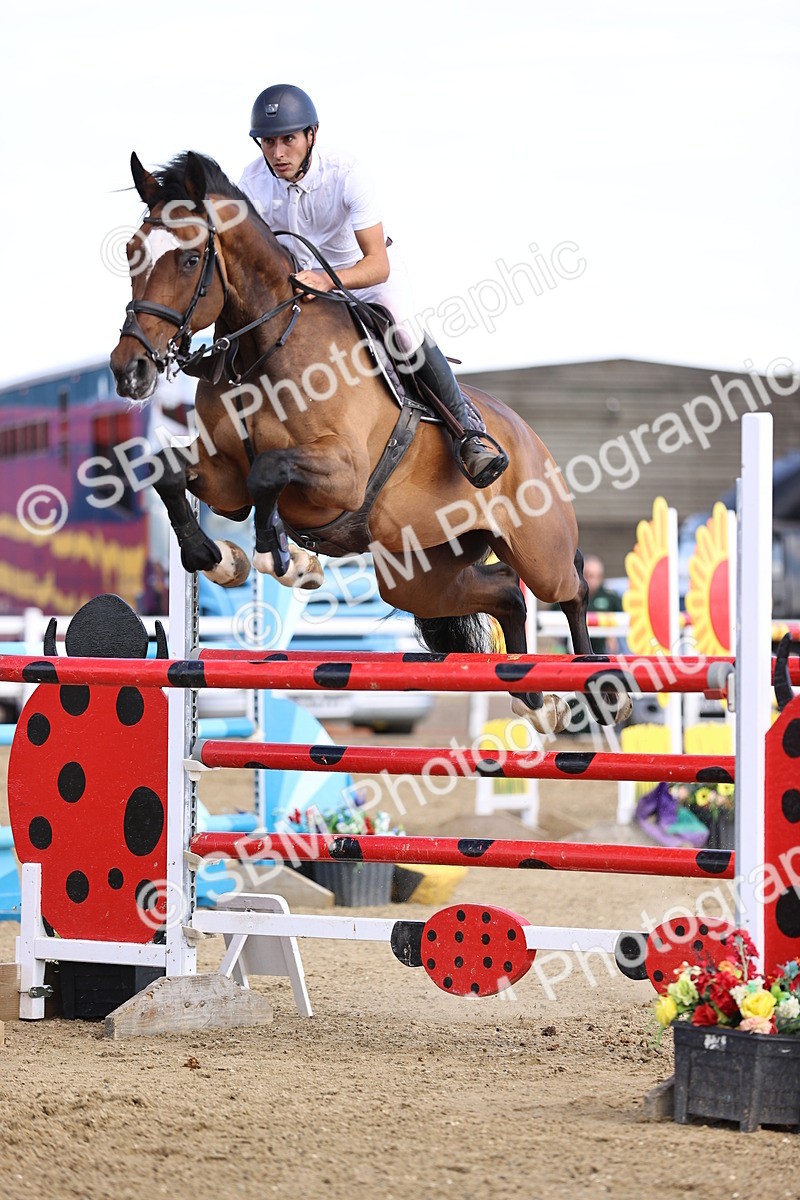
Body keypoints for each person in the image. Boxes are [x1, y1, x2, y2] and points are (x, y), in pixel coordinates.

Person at [238, 83, 508, 489]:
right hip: (303, 287)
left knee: (403, 328)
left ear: (312, 135)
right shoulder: (253, 182)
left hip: (362, 275)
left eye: (288, 140)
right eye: (268, 142)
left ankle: (467, 434)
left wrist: (328, 281)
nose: (277, 153)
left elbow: (377, 264)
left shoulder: (347, 173)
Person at [582, 554, 624, 652]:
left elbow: (623, 619)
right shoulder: (573, 596)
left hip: (602, 651)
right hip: (573, 649)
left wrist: (612, 632)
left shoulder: (609, 597)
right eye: (589, 575)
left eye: (596, 576)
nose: (592, 580)